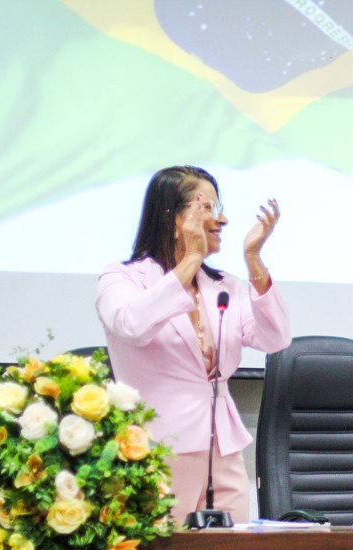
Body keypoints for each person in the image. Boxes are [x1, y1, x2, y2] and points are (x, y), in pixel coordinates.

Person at [96, 166, 291, 524]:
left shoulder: (224, 286)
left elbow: (275, 338)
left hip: (224, 446)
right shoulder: (123, 278)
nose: (223, 219)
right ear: (173, 217)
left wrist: (254, 261)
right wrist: (189, 260)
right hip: (157, 445)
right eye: (209, 209)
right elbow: (132, 325)